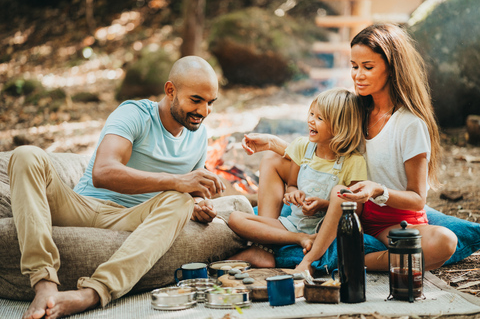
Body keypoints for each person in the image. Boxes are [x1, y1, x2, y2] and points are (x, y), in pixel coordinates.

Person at [8, 56, 225, 319]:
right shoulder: (135, 114)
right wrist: (177, 181)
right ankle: (45, 285)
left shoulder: (198, 136)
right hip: (83, 208)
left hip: (132, 219)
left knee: (181, 202)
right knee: (26, 155)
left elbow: (185, 194)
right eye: (196, 100)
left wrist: (199, 205)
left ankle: (92, 293)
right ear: (171, 91)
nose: (204, 111)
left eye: (210, 102)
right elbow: (103, 172)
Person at [237, 23, 457, 272]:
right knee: (273, 160)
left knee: (445, 241)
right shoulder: (356, 111)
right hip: (352, 210)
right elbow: (319, 154)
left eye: (368, 67)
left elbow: (417, 199)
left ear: (393, 69)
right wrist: (273, 143)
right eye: (354, 66)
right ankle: (265, 244)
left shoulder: (410, 124)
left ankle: (345, 261)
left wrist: (377, 190)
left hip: (391, 222)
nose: (358, 75)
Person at [228, 88, 367, 274]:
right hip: (292, 224)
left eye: (320, 118)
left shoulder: (353, 161)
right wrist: (293, 193)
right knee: (235, 218)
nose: (311, 120)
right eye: (311, 113)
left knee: (341, 192)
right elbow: (292, 184)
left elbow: (355, 209)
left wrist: (324, 205)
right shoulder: (304, 148)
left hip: (322, 227)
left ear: (340, 127)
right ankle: (295, 240)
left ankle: (308, 258)